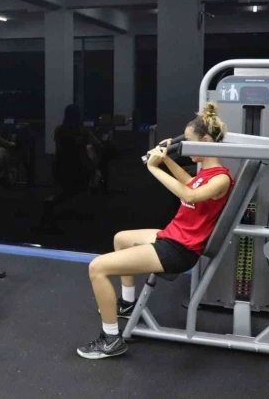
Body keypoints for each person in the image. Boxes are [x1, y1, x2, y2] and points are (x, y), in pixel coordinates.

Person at [76, 102, 233, 359]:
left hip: (180, 250)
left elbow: (189, 195)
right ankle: (128, 304)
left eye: (190, 142)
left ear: (206, 141)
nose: (185, 148)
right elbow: (189, 183)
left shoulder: (220, 178)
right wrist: (166, 159)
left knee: (97, 268)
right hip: (174, 235)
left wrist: (153, 168)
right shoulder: (207, 173)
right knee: (121, 238)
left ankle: (111, 339)